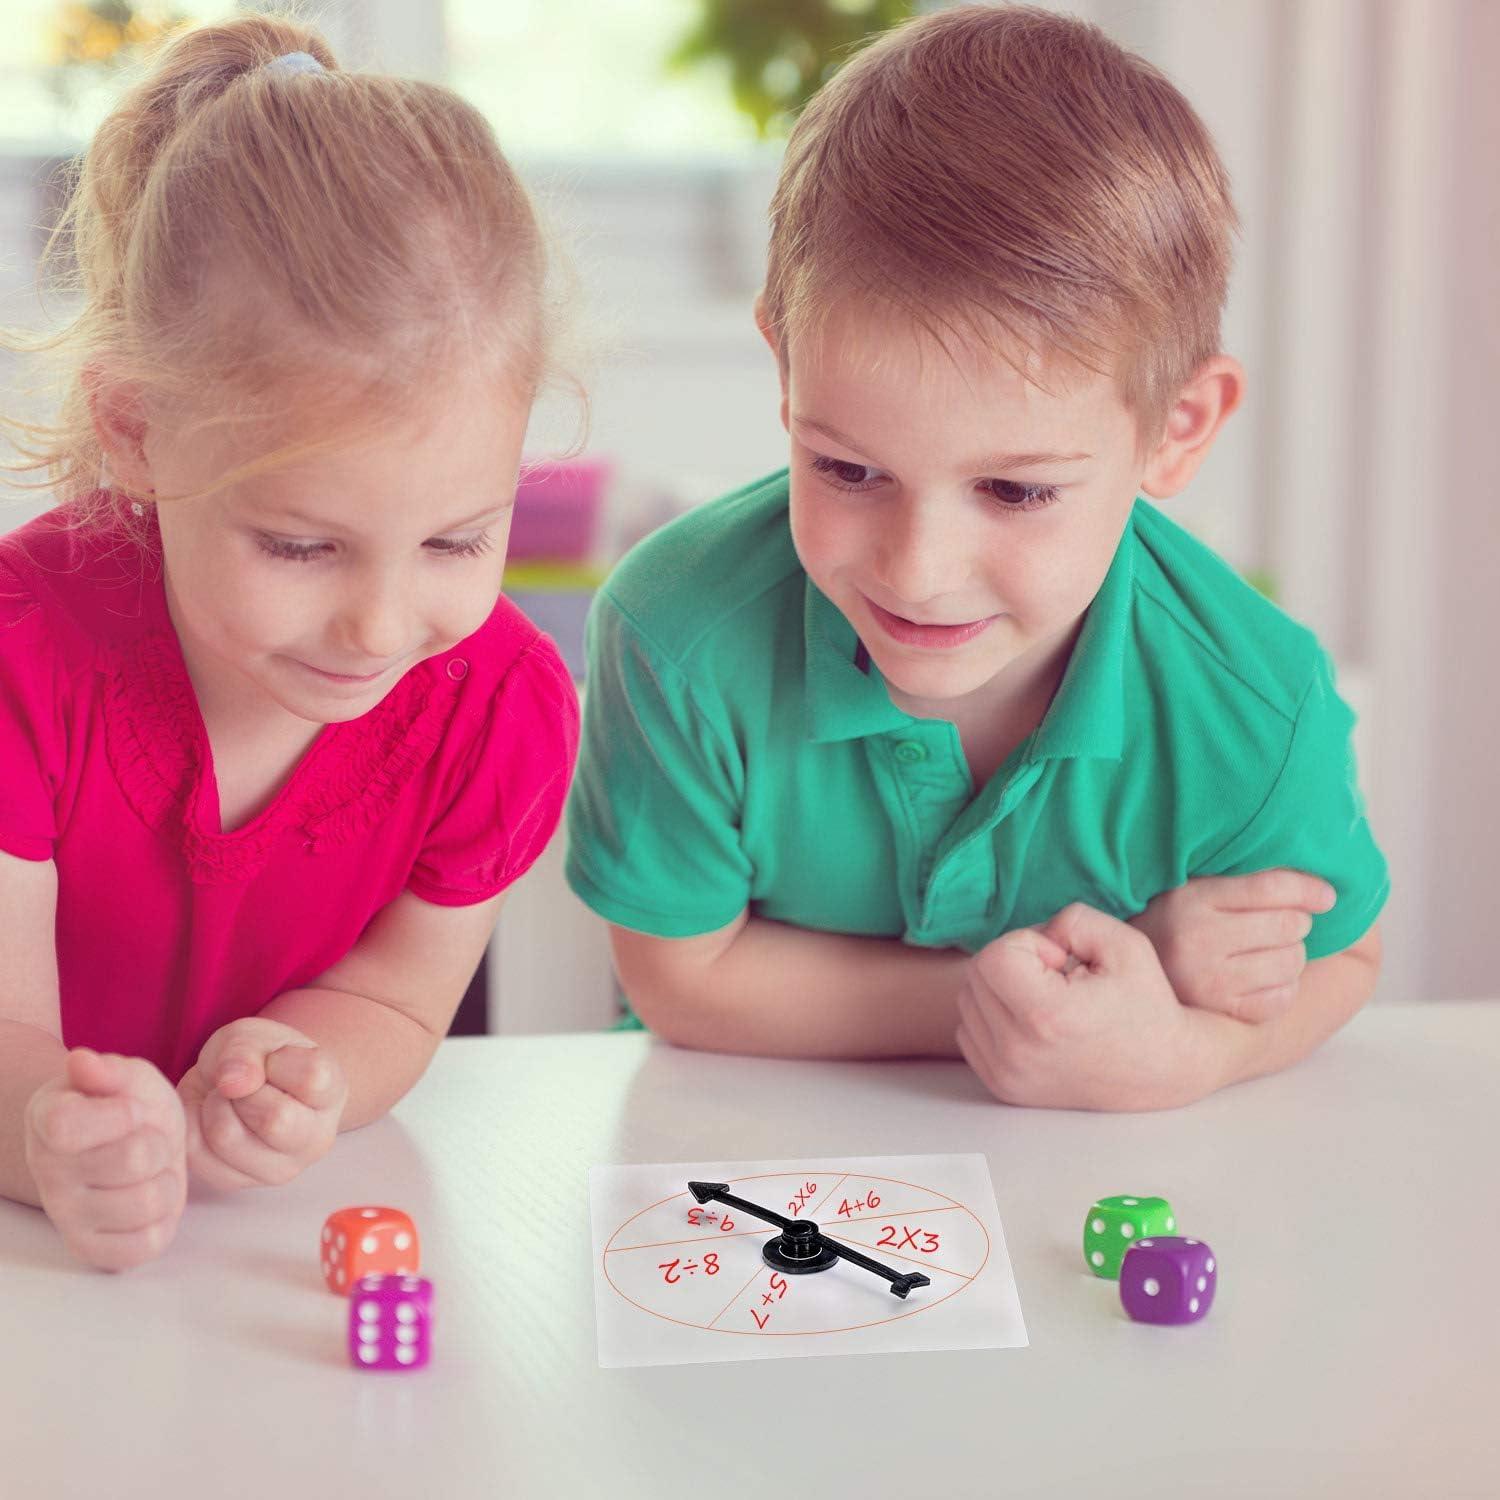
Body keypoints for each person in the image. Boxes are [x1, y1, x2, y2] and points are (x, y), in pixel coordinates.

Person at [565, 4, 1388, 1111]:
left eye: (1015, 490)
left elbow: (1341, 957)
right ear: (785, 363)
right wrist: (1071, 983)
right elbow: (681, 980)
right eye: (848, 470)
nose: (917, 569)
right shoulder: (675, 632)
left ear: (1178, 427)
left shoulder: (1257, 705)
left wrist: (1188, 1052)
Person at [0, 16, 579, 1269]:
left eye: (457, 541)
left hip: (252, 1262)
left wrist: (311, 1072)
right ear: (138, 430)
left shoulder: (495, 711)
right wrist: (46, 1127)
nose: (381, 627)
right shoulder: (24, 661)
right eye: (302, 547)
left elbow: (399, 996)